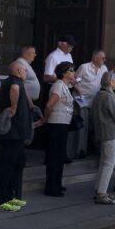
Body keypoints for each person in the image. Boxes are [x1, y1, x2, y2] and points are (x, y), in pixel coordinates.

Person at [0, 61, 42, 211]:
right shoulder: (14, 82)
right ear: (19, 71)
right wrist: (13, 107)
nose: (26, 73)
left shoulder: (14, 81)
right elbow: (14, 89)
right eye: (25, 70)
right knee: (7, 166)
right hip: (12, 134)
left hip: (18, 134)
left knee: (17, 164)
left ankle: (11, 197)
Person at [91, 71, 115, 205]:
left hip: (103, 132)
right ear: (110, 82)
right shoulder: (109, 96)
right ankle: (101, 193)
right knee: (109, 163)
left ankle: (99, 189)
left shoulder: (99, 95)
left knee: (104, 162)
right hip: (110, 132)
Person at [44, 61, 75, 197]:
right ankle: (51, 187)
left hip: (63, 124)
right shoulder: (58, 86)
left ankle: (57, 183)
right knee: (54, 157)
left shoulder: (65, 86)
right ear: (64, 73)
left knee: (59, 156)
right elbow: (49, 105)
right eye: (71, 70)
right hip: (56, 124)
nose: (73, 73)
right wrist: (45, 118)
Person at [72, 49, 108, 159]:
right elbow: (74, 81)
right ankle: (80, 150)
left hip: (96, 102)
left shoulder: (104, 68)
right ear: (95, 58)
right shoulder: (84, 67)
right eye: (102, 58)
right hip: (82, 101)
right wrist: (78, 90)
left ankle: (95, 149)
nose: (104, 60)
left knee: (96, 126)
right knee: (83, 126)